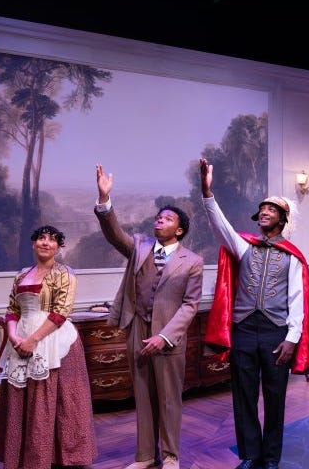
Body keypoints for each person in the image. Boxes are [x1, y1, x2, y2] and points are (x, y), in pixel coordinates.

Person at [199, 158, 309, 469]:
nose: (264, 212)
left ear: (282, 218)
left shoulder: (293, 257)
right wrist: (207, 191)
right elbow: (220, 224)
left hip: (276, 334)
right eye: (262, 209)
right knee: (243, 397)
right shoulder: (243, 246)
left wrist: (292, 339)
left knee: (275, 398)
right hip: (243, 330)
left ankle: (271, 457)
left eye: (271, 209)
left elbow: (297, 301)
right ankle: (250, 454)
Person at [94, 165, 204, 469]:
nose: (160, 219)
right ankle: (144, 456)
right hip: (137, 329)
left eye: (168, 218)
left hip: (168, 337)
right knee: (142, 397)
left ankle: (170, 457)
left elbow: (190, 305)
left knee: (169, 400)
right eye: (159, 216)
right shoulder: (139, 246)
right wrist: (105, 199)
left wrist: (164, 336)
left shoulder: (192, 261)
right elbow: (114, 234)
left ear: (179, 230)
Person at [0, 225, 97, 469]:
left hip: (54, 340)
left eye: (52, 240)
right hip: (21, 337)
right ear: (34, 243)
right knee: (23, 398)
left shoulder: (65, 274)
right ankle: (25, 457)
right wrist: (13, 336)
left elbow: (61, 311)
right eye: (41, 238)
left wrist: (34, 340)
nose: (46, 243)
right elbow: (12, 310)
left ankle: (58, 457)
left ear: (59, 248)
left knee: (55, 399)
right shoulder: (21, 275)